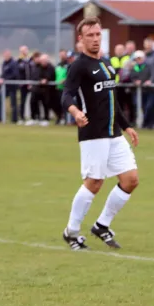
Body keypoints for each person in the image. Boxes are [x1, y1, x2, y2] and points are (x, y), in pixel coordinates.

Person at [61, 16, 140, 250]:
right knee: (94, 182)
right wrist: (75, 111)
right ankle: (71, 231)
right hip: (93, 133)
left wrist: (127, 126)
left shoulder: (107, 63)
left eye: (97, 35)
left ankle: (101, 225)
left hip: (114, 133)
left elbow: (112, 100)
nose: (95, 39)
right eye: (90, 36)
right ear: (81, 39)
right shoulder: (78, 66)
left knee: (130, 179)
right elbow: (66, 94)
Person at [0, 49, 19, 123]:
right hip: (5, 87)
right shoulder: (4, 63)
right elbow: (3, 74)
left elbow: (15, 74)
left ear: (9, 55)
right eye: (4, 55)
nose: (5, 56)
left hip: (12, 87)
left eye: (7, 55)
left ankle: (14, 119)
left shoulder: (13, 63)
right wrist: (0, 78)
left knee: (13, 103)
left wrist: (5, 79)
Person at [17, 45, 31, 124]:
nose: (24, 52)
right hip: (23, 85)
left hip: (31, 84)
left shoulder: (30, 60)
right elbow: (18, 72)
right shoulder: (19, 61)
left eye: (25, 50)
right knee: (22, 101)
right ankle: (21, 117)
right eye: (22, 50)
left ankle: (32, 117)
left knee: (32, 101)